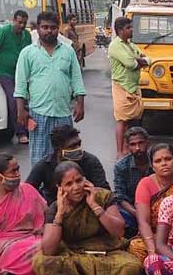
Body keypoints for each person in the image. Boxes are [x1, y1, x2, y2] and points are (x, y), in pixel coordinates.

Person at [32, 161, 141, 275]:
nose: (76, 187)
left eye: (79, 180)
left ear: (85, 179)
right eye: (69, 184)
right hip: (74, 254)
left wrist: (94, 205)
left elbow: (119, 231)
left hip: (107, 251)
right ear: (60, 188)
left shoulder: (103, 196)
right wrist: (59, 214)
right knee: (42, 262)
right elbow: (49, 250)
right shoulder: (55, 208)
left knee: (132, 266)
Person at [15, 11, 86, 166]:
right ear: (38, 29)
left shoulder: (68, 51)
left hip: (63, 113)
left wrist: (80, 104)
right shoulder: (28, 53)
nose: (49, 31)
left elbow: (76, 80)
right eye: (44, 27)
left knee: (66, 158)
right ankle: (39, 190)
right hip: (38, 114)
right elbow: (20, 85)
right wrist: (21, 111)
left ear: (58, 28)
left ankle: (64, 189)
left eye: (53, 27)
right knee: (40, 159)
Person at [26, 125, 109, 204]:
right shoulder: (44, 165)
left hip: (86, 206)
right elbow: (27, 192)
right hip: (54, 207)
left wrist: (91, 191)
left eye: (79, 144)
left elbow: (106, 192)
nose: (78, 148)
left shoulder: (91, 161)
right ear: (58, 150)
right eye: (72, 146)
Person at [128, 143, 173, 263]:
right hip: (156, 236)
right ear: (152, 165)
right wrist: (152, 251)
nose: (164, 163)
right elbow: (143, 222)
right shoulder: (145, 184)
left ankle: (170, 264)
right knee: (136, 247)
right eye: (158, 161)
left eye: (168, 159)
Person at [108, 16, 149, 158]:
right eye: (128, 28)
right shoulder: (115, 45)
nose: (132, 30)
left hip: (133, 87)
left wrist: (139, 60)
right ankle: (120, 152)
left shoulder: (130, 45)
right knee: (121, 119)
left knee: (134, 119)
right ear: (120, 30)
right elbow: (130, 64)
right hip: (121, 86)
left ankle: (130, 149)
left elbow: (148, 59)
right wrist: (139, 61)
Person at [0, 9, 31, 145]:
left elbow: (30, 55)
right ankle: (21, 133)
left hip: (21, 73)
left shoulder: (27, 35)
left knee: (26, 101)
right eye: (19, 22)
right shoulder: (3, 32)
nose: (21, 26)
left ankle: (29, 128)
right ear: (13, 20)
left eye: (24, 23)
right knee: (14, 101)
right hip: (4, 73)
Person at [112, 126, 152, 235]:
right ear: (128, 146)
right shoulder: (121, 166)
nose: (138, 148)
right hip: (131, 210)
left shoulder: (156, 162)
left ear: (147, 143)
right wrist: (138, 214)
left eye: (141, 143)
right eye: (133, 145)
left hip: (156, 208)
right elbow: (119, 197)